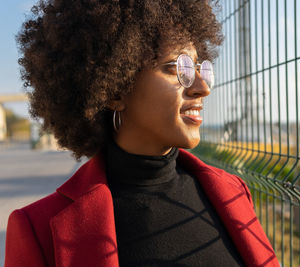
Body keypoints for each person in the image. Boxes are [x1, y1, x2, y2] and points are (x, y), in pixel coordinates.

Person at [5, 0, 279, 266]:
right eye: (177, 68)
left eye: (199, 68)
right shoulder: (39, 230)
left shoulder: (233, 193)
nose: (202, 88)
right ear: (115, 89)